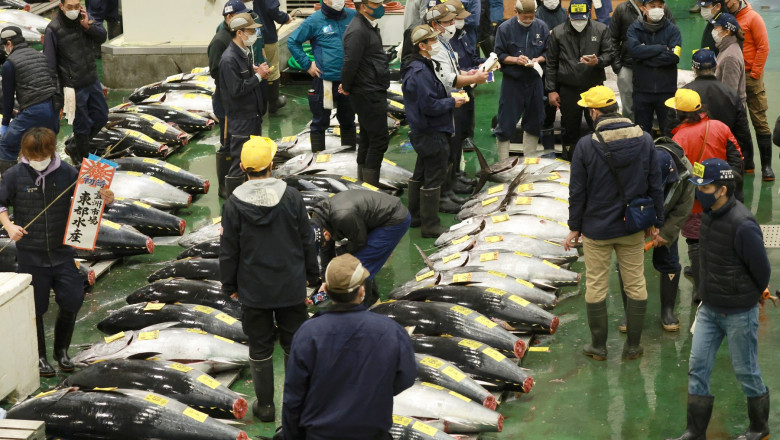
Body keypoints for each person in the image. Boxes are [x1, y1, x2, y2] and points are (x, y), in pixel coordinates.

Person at [666, 158, 770, 440]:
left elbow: (762, 271)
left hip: (737, 312)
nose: (700, 191)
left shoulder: (743, 224)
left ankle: (759, 428)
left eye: (705, 187)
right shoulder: (709, 215)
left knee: (745, 370)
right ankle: (694, 431)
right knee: (697, 366)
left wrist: (748, 296)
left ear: (722, 189)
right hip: (709, 309)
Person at [219, 136, 320, 422]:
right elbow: (306, 240)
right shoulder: (291, 196)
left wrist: (230, 285)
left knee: (260, 345)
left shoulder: (233, 205)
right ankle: (296, 404)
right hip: (290, 285)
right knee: (293, 343)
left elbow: (229, 251)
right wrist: (312, 276)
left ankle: (265, 407)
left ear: (242, 167)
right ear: (272, 165)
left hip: (254, 290)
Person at [0, 127, 113, 377]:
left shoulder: (68, 173)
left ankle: (61, 351)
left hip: (62, 253)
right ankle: (40, 356)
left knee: (72, 298)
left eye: (42, 154)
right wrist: (8, 225)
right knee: (36, 308)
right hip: (31, 256)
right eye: (33, 155)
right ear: (25, 152)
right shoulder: (13, 175)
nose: (38, 160)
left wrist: (105, 199)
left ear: (52, 150)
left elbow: (89, 203)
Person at [564, 85, 663, 361]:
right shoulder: (644, 140)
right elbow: (655, 183)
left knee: (596, 285)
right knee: (635, 284)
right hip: (632, 226)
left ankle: (599, 347)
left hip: (596, 229)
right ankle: (633, 346)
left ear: (594, 112)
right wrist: (656, 221)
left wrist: (575, 226)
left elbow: (577, 191)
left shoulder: (585, 145)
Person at [282, 253, 417, 440]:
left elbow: (293, 398)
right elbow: (406, 378)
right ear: (362, 291)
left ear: (326, 291)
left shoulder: (307, 334)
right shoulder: (391, 331)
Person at [667, 89, 743, 302]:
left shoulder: (678, 138)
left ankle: (701, 290)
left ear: (680, 113)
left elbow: (677, 176)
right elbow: (737, 158)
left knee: (695, 242)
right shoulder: (720, 127)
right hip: (723, 199)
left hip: (694, 203)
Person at [618, 139, 694, 332]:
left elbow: (683, 208)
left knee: (670, 261)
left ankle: (668, 310)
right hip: (636, 214)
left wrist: (666, 232)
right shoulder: (635, 165)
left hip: (667, 218)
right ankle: (630, 312)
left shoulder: (687, 172)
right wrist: (639, 223)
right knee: (626, 263)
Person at [402, 25, 466, 237]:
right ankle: (430, 225)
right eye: (431, 41)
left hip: (424, 131)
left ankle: (416, 217)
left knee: (421, 173)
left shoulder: (421, 66)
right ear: (421, 46)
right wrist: (451, 102)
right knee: (434, 177)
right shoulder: (419, 72)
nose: (435, 44)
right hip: (431, 131)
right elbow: (429, 105)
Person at [425, 2, 488, 207]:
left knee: (453, 143)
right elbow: (446, 78)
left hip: (451, 100)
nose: (454, 24)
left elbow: (454, 70)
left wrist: (467, 74)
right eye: (449, 21)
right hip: (442, 102)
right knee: (442, 150)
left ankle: (450, 185)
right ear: (435, 24)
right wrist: (472, 79)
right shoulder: (433, 45)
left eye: (454, 20)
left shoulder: (445, 41)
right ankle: (441, 196)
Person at [310, 190, 411, 307]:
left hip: (394, 219)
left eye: (324, 241)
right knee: (359, 261)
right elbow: (326, 249)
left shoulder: (343, 217)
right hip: (374, 218)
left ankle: (363, 309)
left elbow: (359, 242)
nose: (325, 243)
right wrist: (325, 281)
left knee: (360, 266)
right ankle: (373, 301)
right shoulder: (318, 220)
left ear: (325, 232)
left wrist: (342, 252)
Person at [664, 49, 754, 173]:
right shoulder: (731, 94)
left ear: (694, 69)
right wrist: (747, 161)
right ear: (716, 66)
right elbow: (742, 131)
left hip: (691, 162)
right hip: (723, 160)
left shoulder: (684, 93)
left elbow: (671, 128)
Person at [44, 0, 109, 167]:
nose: (74, 10)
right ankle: (83, 161)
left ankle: (74, 146)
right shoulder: (53, 29)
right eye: (70, 7)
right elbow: (50, 65)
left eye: (77, 5)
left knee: (102, 116)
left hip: (92, 79)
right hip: (72, 86)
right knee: (82, 126)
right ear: (61, 6)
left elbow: (102, 36)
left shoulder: (84, 18)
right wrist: (55, 94)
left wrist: (89, 26)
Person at [546, 0, 613, 161]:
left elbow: (610, 54)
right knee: (570, 128)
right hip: (568, 89)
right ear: (568, 14)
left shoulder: (601, 29)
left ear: (589, 14)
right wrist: (551, 90)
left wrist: (598, 61)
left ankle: (602, 160)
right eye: (575, 19)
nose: (579, 22)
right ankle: (570, 160)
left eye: (582, 19)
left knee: (599, 125)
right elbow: (551, 63)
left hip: (594, 88)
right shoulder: (558, 32)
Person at [288, 0, 357, 153]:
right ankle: (317, 161)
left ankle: (349, 158)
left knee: (348, 121)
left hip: (348, 80)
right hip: (325, 82)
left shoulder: (353, 16)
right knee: (320, 122)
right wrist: (307, 64)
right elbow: (293, 42)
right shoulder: (314, 20)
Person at [218, 12, 270, 197]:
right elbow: (236, 90)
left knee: (253, 159)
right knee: (239, 163)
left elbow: (242, 78)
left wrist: (253, 71)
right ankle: (233, 204)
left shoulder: (244, 53)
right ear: (239, 33)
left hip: (251, 116)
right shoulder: (229, 58)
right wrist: (258, 76)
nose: (253, 35)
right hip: (240, 119)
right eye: (250, 31)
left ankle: (250, 198)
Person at [208, 0, 256, 198]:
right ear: (229, 17)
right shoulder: (220, 41)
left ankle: (236, 182)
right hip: (225, 100)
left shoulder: (235, 36)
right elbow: (215, 71)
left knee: (235, 143)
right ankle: (224, 188)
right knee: (228, 143)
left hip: (236, 98)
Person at [341, 0, 390, 186]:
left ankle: (363, 185)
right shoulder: (358, 30)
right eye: (375, 4)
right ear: (362, 6)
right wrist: (346, 86)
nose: (380, 7)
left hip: (370, 87)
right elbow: (350, 63)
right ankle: (370, 188)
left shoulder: (367, 26)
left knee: (368, 137)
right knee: (379, 140)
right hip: (368, 92)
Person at [493, 0, 549, 160]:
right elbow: (499, 55)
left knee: (534, 121)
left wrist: (538, 59)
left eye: (531, 17)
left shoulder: (542, 27)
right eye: (525, 17)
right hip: (513, 83)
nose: (528, 20)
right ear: (516, 12)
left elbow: (548, 52)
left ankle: (529, 161)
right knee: (506, 122)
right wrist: (515, 60)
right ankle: (503, 163)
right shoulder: (504, 29)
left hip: (534, 81)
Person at [0, 27, 59, 174]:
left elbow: (8, 98)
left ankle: (11, 188)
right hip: (54, 108)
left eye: (4, 46)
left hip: (35, 110)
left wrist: (5, 123)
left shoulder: (10, 64)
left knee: (5, 146)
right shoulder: (39, 55)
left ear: (9, 43)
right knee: (43, 147)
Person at [728, 0, 772, 180]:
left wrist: (754, 73)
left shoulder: (753, 18)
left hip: (750, 76)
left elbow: (763, 47)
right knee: (740, 121)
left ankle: (767, 167)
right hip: (734, 75)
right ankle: (748, 162)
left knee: (759, 119)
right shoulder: (726, 17)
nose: (724, 3)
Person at [609, 0, 673, 121]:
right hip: (628, 65)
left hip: (656, 66)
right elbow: (612, 38)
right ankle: (630, 128)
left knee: (657, 101)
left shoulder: (663, 8)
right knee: (629, 105)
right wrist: (618, 66)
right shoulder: (622, 9)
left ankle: (655, 132)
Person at [625, 0, 681, 137]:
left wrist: (645, 56)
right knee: (642, 134)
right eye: (653, 6)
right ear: (643, 8)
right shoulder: (634, 29)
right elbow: (634, 51)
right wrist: (661, 48)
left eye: (660, 6)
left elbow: (674, 57)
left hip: (666, 91)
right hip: (642, 91)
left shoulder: (673, 30)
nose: (657, 9)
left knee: (669, 133)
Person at [449, 0, 485, 159]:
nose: (463, 21)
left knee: (466, 118)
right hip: (453, 90)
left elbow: (472, 57)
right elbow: (450, 72)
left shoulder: (463, 36)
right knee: (454, 132)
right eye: (459, 18)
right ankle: (454, 174)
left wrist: (486, 63)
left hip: (466, 84)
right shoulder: (445, 41)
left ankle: (458, 171)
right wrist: (471, 73)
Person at [535, 0, 566, 150]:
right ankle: (547, 151)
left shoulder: (565, 14)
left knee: (567, 113)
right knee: (546, 113)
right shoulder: (536, 15)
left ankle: (569, 151)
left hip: (565, 71)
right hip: (545, 71)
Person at [250, 0, 290, 114]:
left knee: (257, 67)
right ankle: (273, 102)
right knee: (271, 67)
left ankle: (260, 102)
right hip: (266, 35)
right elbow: (272, 10)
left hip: (251, 35)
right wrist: (285, 18)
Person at [711, 13, 745, 105]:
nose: (713, 30)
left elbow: (729, 94)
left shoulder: (730, 57)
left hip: (728, 112)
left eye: (716, 28)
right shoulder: (725, 48)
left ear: (727, 32)